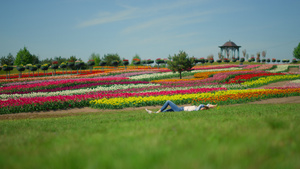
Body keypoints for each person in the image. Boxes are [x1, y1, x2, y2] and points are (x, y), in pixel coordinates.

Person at [145, 100, 217, 114]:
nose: (202, 108)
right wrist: (213, 106)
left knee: (168, 101)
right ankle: (153, 112)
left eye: (203, 108)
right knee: (165, 112)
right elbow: (207, 105)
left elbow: (205, 106)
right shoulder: (198, 108)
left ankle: (158, 111)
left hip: (180, 110)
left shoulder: (197, 109)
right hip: (180, 109)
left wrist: (208, 107)